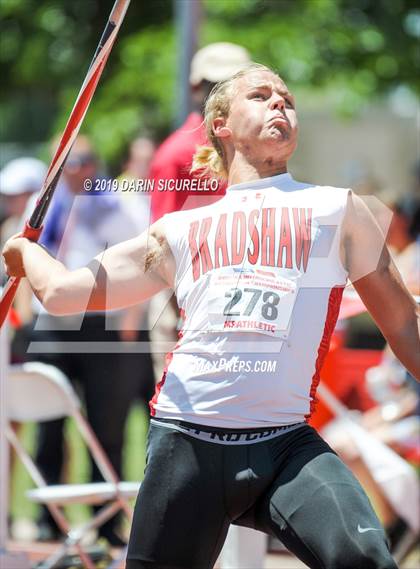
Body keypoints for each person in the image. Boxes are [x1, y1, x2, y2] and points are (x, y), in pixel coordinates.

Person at [3, 63, 419, 569]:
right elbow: (64, 293)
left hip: (285, 444)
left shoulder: (339, 210)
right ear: (220, 123)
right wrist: (25, 252)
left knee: (366, 561)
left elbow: (403, 324)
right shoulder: (180, 229)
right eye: (261, 95)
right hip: (186, 442)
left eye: (285, 98)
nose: (279, 104)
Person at [23, 136, 142, 545]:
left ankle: (106, 525)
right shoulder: (42, 203)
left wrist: (130, 321)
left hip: (101, 323)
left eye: (86, 160)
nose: (78, 169)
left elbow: (139, 263)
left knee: (107, 424)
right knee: (48, 424)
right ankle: (48, 522)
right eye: (70, 162)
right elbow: (25, 254)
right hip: (52, 323)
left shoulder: (113, 206)